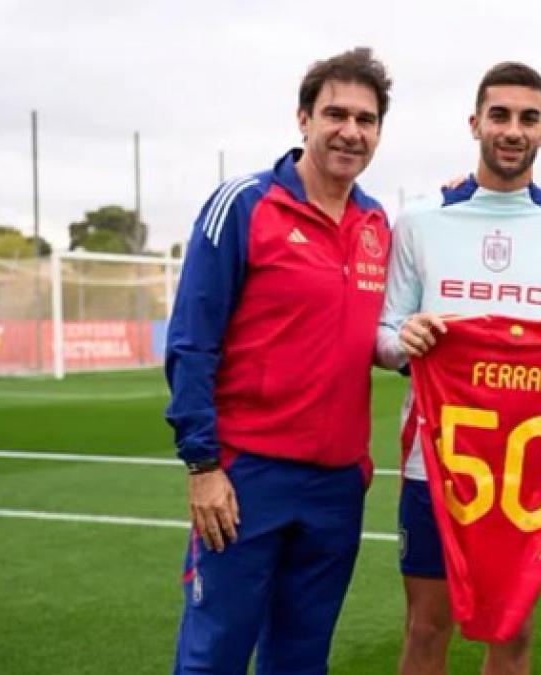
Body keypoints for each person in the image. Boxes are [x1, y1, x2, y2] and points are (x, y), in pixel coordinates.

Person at [376, 61, 541, 675]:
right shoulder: (421, 223)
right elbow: (381, 336)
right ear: (475, 123)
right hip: (433, 465)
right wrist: (404, 339)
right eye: (501, 115)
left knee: (512, 634)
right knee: (426, 628)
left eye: (528, 119)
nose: (513, 130)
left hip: (529, 475)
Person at [164, 47, 393, 674]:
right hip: (246, 477)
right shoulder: (242, 204)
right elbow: (191, 341)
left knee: (300, 660)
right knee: (214, 656)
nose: (350, 131)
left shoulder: (377, 223)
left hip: (338, 485)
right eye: (335, 114)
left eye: (366, 119)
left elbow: (385, 334)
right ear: (303, 118)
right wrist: (203, 465)